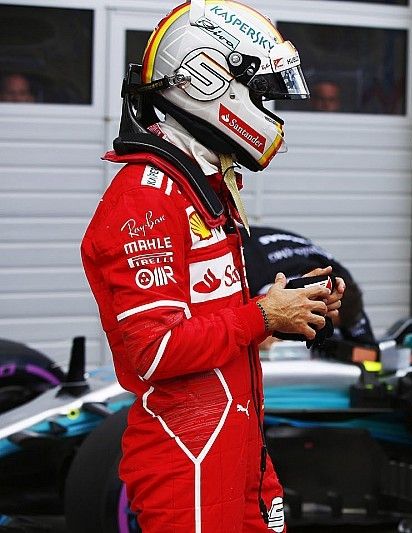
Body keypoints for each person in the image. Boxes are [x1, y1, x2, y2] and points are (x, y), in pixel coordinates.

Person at [80, 1, 344, 531]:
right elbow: (154, 352)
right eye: (263, 92)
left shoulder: (202, 187)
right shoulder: (146, 198)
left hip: (237, 442)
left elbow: (208, 323)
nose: (271, 111)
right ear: (206, 78)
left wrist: (291, 310)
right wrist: (263, 316)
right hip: (188, 458)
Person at [242, 226, 376, 346]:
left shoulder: (341, 283)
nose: (318, 323)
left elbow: (367, 346)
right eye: (317, 316)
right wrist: (260, 333)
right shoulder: (251, 274)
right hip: (236, 241)